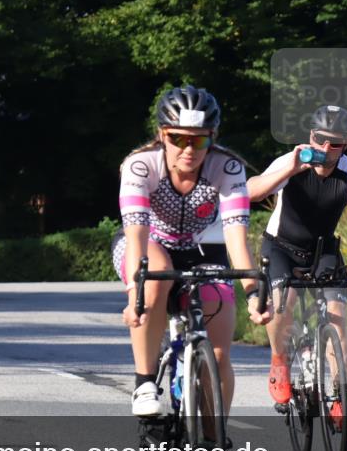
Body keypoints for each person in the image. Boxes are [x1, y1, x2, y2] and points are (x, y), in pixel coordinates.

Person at [112, 85, 271, 418]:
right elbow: (137, 235)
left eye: (199, 140)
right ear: (161, 135)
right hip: (147, 245)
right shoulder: (141, 166)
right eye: (178, 138)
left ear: (212, 137)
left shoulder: (226, 168)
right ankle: (144, 383)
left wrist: (255, 293)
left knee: (219, 351)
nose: (189, 149)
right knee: (154, 274)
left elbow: (236, 240)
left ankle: (213, 444)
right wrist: (133, 295)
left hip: (202, 250)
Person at [247, 105, 347, 432]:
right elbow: (251, 192)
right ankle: (279, 361)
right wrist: (289, 169)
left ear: (345, 145)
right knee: (282, 303)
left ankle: (338, 399)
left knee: (337, 318)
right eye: (321, 140)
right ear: (311, 136)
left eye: (335, 144)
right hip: (281, 247)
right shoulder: (291, 160)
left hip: (322, 251)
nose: (326, 149)